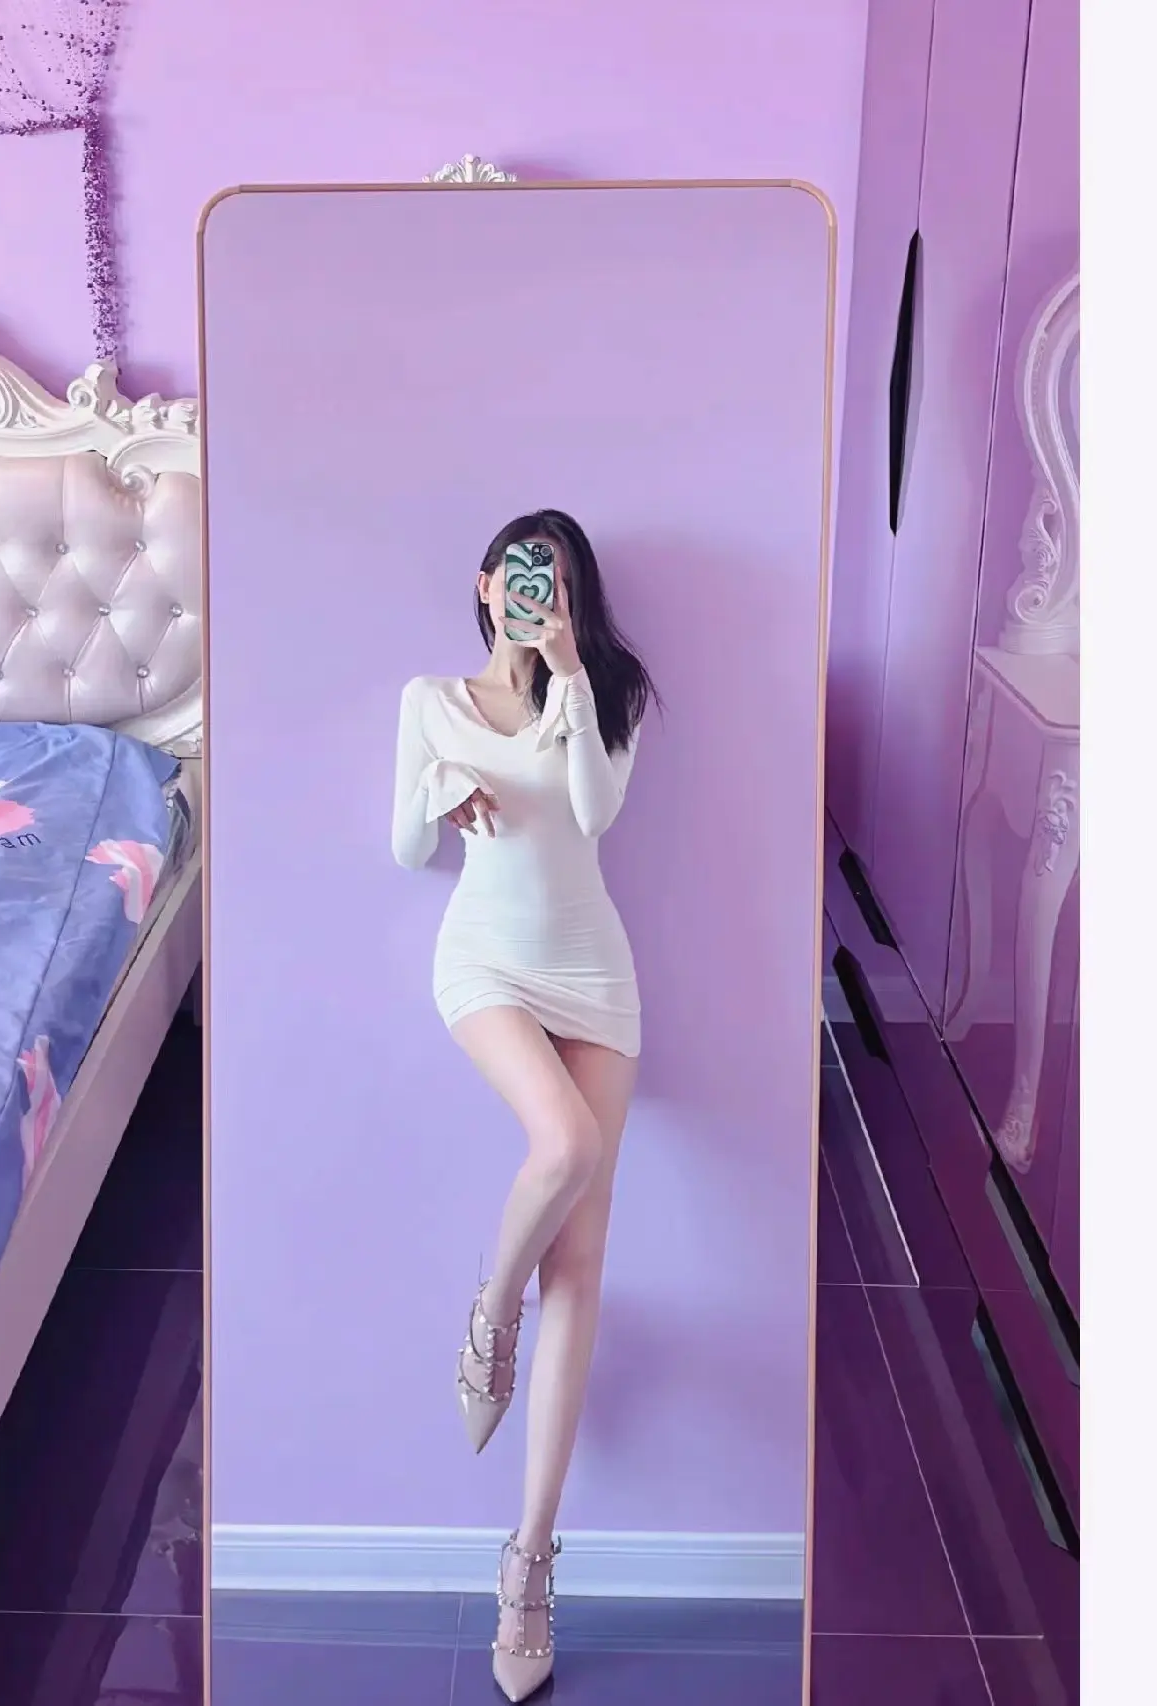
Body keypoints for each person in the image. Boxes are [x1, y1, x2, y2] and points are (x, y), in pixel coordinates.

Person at [391, 508, 656, 1702]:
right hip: (484, 963)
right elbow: (406, 849)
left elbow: (593, 812)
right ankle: (490, 1313)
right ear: (485, 582)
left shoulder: (606, 689)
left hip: (593, 973)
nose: (529, 589)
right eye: (515, 572)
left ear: (570, 593)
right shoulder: (428, 700)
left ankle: (528, 1565)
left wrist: (567, 675)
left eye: (550, 577)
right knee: (566, 1141)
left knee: (582, 1267)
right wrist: (438, 789)